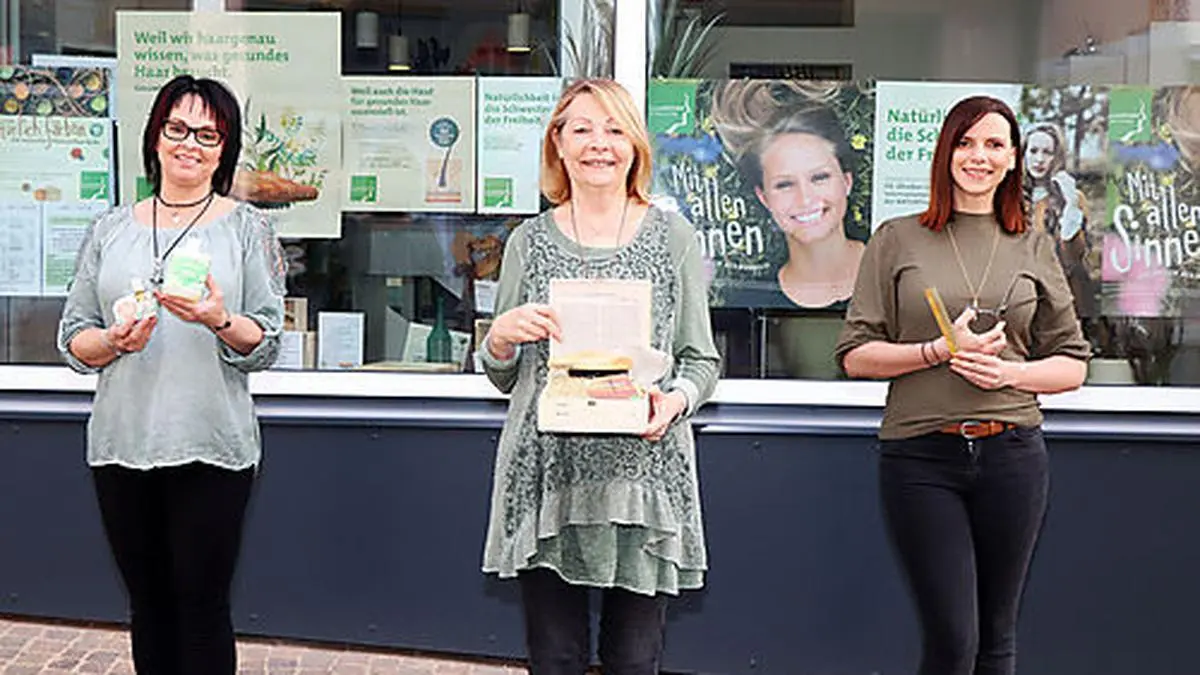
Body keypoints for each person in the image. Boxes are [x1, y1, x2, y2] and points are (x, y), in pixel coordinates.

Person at [834, 96, 1090, 675]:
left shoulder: (1032, 245)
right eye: (965, 142)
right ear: (944, 152)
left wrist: (1011, 374)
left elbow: (1073, 364)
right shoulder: (897, 238)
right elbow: (854, 355)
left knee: (998, 638)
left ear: (1014, 159)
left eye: (994, 144)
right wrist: (937, 350)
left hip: (1012, 454)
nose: (979, 156)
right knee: (953, 639)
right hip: (921, 457)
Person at [479, 78, 720, 675]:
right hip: (548, 479)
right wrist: (501, 336)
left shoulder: (673, 238)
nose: (598, 144)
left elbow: (701, 360)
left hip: (643, 482)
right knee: (554, 659)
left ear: (636, 145)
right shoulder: (527, 243)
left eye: (614, 129)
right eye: (581, 129)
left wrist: (675, 401)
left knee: (634, 662)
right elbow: (501, 375)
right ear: (556, 144)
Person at [57, 74, 286, 675]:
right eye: (177, 128)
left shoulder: (249, 229)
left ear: (225, 148)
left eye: (209, 134)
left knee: (201, 606)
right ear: (155, 137)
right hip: (121, 444)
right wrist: (111, 340)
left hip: (211, 445)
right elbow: (73, 337)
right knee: (149, 607)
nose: (191, 144)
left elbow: (267, 340)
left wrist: (219, 319)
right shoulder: (109, 229)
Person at [710, 80, 865, 310]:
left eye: (819, 177)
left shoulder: (896, 279)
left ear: (846, 181)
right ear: (764, 198)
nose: (805, 199)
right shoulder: (749, 301)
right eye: (785, 185)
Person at [1022, 122, 1094, 317]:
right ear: (1024, 154)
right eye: (1033, 151)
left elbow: (1075, 257)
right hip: (1021, 299)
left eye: (1047, 152)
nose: (1039, 159)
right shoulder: (1012, 199)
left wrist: (1069, 206)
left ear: (1057, 157)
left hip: (1062, 298)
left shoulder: (1073, 197)